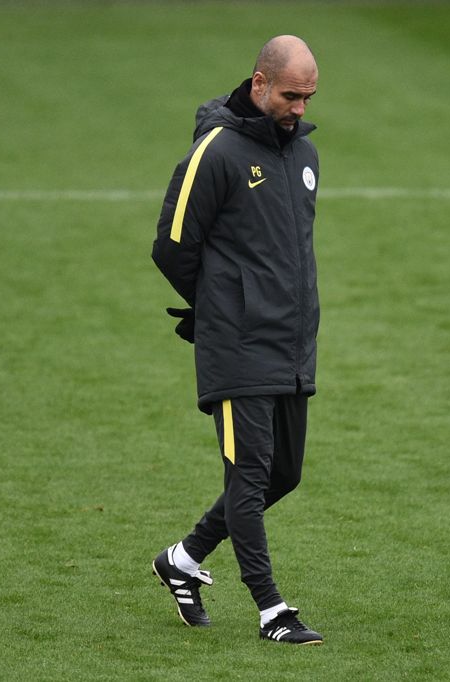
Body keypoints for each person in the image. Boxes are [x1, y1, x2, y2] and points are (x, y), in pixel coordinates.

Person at [150, 35, 323, 646]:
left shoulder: (306, 156)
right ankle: (272, 610)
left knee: (285, 475)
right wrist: (219, 307)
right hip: (238, 346)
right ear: (258, 83)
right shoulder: (217, 151)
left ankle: (183, 558)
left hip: (292, 345)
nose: (299, 107)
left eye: (308, 96)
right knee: (248, 477)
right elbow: (171, 245)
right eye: (289, 95)